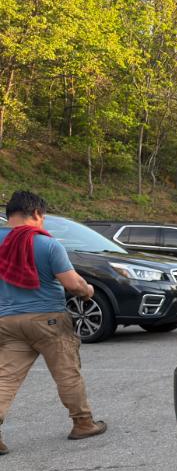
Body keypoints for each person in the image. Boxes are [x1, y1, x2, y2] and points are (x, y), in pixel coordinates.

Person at [0, 191, 106, 454]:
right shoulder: (47, 244)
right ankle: (83, 423)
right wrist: (87, 290)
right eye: (43, 217)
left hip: (8, 321)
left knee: (5, 379)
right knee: (66, 373)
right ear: (36, 213)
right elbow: (72, 283)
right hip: (48, 320)